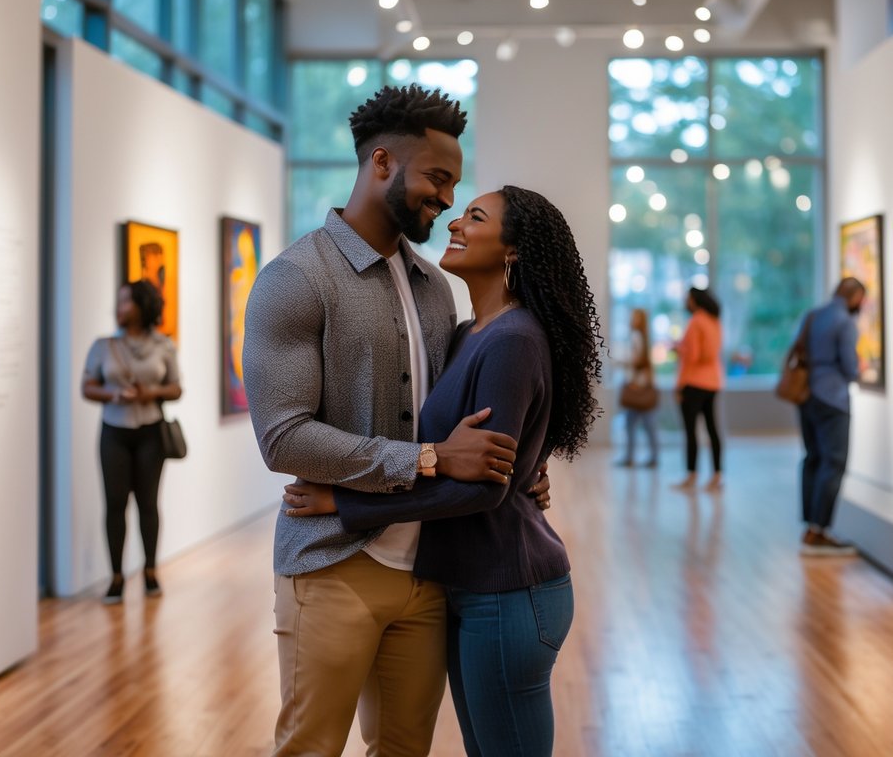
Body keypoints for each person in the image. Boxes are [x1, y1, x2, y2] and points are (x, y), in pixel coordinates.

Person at [242, 85, 550, 757]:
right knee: (308, 749)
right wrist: (426, 459)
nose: (444, 202)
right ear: (382, 163)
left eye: (454, 186)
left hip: (430, 573)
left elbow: (470, 411)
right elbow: (283, 437)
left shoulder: (436, 288)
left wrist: (520, 468)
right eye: (437, 180)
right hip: (330, 566)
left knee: (405, 751)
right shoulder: (295, 279)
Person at [284, 185, 603, 757]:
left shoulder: (512, 338)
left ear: (513, 251)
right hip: (474, 586)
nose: (455, 221)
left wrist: (346, 504)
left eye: (475, 216)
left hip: (510, 590)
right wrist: (529, 464)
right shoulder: (468, 334)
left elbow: (480, 491)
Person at [81, 280, 182, 603]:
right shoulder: (103, 345)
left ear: (142, 306)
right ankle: (116, 577)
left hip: (150, 431)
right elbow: (87, 387)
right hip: (114, 430)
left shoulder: (164, 345)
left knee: (148, 504)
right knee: (114, 504)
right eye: (119, 301)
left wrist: (149, 393)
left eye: (126, 302)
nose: (119, 307)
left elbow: (176, 388)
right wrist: (113, 395)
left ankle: (150, 571)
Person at [797, 277, 865, 556]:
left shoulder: (813, 315)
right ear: (856, 297)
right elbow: (850, 367)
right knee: (834, 462)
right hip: (833, 397)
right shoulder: (845, 322)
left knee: (813, 458)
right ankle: (820, 530)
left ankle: (810, 528)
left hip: (806, 394)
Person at [673, 288, 724, 491]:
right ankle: (717, 474)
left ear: (694, 301)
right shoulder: (714, 321)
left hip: (693, 383)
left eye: (687, 299)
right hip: (713, 382)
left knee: (691, 431)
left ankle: (691, 475)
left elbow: (692, 358)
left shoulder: (696, 322)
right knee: (712, 429)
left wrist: (680, 385)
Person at [617, 307, 659, 467]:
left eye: (635, 318)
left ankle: (631, 457)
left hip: (636, 386)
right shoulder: (644, 337)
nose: (632, 320)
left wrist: (623, 364)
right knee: (645, 425)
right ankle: (648, 457)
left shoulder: (635, 337)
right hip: (644, 385)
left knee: (635, 424)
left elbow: (636, 361)